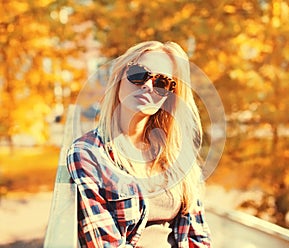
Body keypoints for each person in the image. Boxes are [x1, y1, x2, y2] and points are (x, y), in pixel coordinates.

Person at [67, 41, 211, 247]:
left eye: (162, 82)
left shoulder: (177, 156)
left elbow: (199, 237)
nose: (148, 85)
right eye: (138, 74)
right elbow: (105, 244)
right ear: (119, 78)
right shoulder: (89, 154)